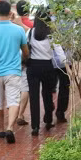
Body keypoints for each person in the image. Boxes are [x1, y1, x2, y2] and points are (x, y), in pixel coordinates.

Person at [0, 1, 29, 143]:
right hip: (13, 71)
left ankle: (1, 130)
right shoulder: (19, 30)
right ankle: (10, 127)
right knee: (13, 100)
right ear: (10, 13)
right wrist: (24, 60)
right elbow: (26, 51)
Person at [27, 8, 56, 136]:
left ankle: (35, 126)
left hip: (33, 66)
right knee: (47, 94)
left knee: (34, 97)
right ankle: (48, 120)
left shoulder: (30, 32)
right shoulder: (51, 33)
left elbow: (24, 48)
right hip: (47, 66)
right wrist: (66, 64)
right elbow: (58, 50)